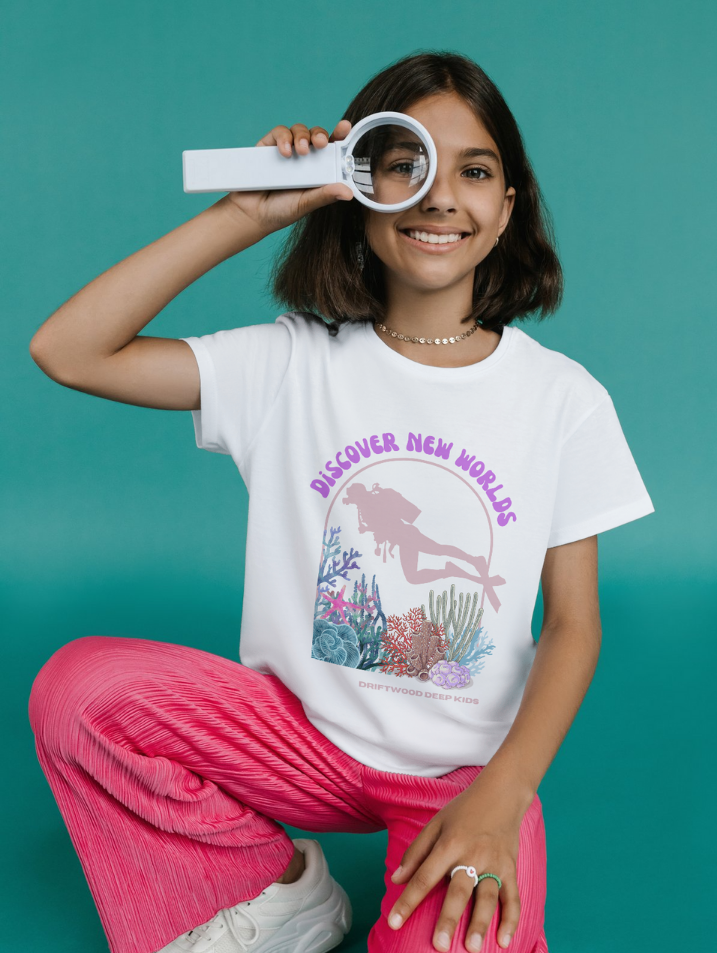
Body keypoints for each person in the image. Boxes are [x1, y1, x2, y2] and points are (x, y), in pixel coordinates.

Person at [27, 50, 655, 953]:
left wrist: (503, 794)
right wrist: (245, 215)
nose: (441, 196)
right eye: (406, 165)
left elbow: (573, 624)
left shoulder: (563, 399)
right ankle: (275, 888)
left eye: (473, 171)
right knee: (79, 692)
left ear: (508, 206)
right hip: (292, 741)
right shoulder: (288, 364)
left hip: (461, 775)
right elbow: (68, 350)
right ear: (355, 188)